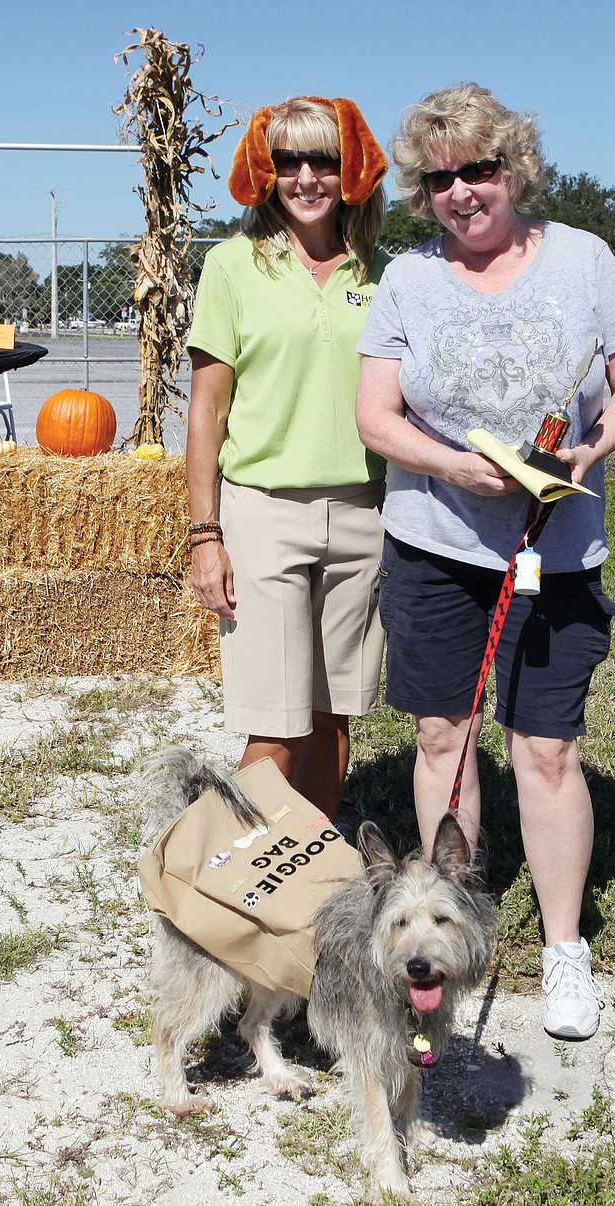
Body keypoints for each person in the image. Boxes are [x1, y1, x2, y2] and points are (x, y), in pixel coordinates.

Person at [356, 83, 615, 1040]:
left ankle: (565, 948)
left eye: (477, 170)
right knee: (444, 739)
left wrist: (589, 453)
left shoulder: (583, 259)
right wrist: (452, 467)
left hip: (553, 551)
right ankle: (451, 925)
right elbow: (375, 414)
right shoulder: (408, 277)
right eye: (439, 177)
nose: (460, 191)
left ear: (512, 167)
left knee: (547, 748)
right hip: (437, 546)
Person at [186, 95, 389, 818]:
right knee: (274, 727)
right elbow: (207, 411)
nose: (307, 177)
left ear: (352, 172)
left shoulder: (381, 272)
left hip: (363, 515)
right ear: (267, 173)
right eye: (289, 160)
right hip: (264, 514)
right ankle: (218, 885)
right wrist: (204, 535)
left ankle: (311, 883)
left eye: (323, 160)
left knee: (333, 717)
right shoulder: (232, 267)